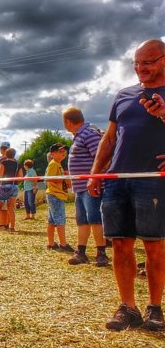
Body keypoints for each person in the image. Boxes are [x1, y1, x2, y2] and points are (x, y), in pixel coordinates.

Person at [87, 38, 165, 331]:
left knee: (154, 246)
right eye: (137, 63)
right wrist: (97, 173)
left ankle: (155, 309)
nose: (140, 68)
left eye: (148, 62)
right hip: (118, 180)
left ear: (163, 60)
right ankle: (127, 307)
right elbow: (109, 139)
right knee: (120, 244)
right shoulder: (123, 95)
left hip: (152, 181)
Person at [62, 107, 108, 267]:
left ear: (68, 121)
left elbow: (102, 158)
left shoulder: (88, 133)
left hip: (91, 186)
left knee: (94, 218)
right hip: (81, 187)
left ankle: (101, 253)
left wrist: (94, 179)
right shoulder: (80, 135)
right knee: (82, 220)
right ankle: (81, 252)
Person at [45, 143, 74, 253]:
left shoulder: (58, 164)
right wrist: (64, 179)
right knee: (60, 220)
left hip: (55, 194)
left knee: (52, 220)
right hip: (55, 195)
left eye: (64, 152)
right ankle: (63, 244)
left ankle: (51, 243)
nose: (63, 154)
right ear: (52, 154)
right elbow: (49, 178)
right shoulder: (53, 164)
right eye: (60, 151)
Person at [0, 147, 22, 231]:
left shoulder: (3, 162)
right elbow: (21, 177)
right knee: (10, 207)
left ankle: (2, 225)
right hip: (14, 185)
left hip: (4, 186)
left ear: (5, 155)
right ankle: (12, 226)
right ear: (14, 155)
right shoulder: (18, 164)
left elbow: (0, 175)